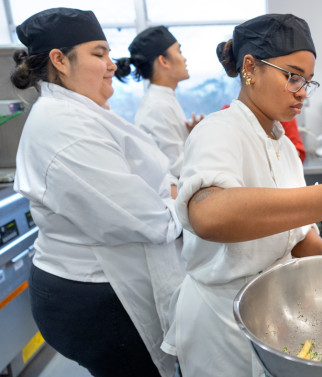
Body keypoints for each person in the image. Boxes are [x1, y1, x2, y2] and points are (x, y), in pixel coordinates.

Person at [159, 13, 322, 377]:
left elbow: (297, 235)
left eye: (307, 81)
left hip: (273, 312)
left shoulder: (284, 146)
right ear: (250, 68)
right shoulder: (220, 131)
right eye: (292, 76)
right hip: (222, 322)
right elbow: (210, 217)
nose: (303, 91)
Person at [11, 8, 183, 377]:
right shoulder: (63, 128)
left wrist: (167, 190)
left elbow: (157, 181)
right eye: (99, 53)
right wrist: (175, 197)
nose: (112, 64)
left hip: (104, 284)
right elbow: (150, 221)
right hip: (89, 297)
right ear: (60, 59)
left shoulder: (84, 112)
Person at [115, 26, 204, 177]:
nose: (184, 59)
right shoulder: (157, 107)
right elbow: (178, 168)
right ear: (163, 61)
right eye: (179, 52)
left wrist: (191, 136)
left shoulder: (163, 99)